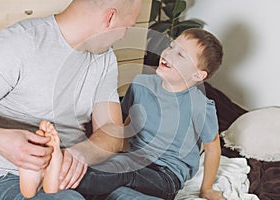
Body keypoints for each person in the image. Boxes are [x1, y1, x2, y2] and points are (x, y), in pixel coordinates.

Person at [0, 0, 143, 199]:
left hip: (72, 175)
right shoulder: (19, 43)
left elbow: (111, 128)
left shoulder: (104, 58)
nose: (124, 36)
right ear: (109, 18)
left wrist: (81, 154)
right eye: (128, 26)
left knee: (141, 187)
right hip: (4, 176)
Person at [75, 28, 226, 200]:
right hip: (134, 160)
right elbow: (121, 123)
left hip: (166, 176)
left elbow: (212, 147)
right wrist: (120, 152)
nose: (168, 54)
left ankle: (58, 177)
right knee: (117, 191)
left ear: (198, 75)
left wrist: (207, 189)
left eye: (180, 55)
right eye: (171, 46)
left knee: (122, 172)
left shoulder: (200, 106)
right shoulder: (141, 84)